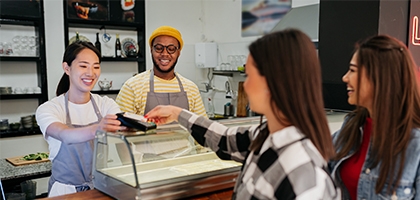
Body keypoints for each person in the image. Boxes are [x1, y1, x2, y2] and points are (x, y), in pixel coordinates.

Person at [145, 29, 340, 199]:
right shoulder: (264, 136)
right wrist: (176, 113)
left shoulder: (306, 177)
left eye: (249, 75)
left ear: (272, 82)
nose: (245, 85)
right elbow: (223, 139)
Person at [329, 35, 420, 199]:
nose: (345, 78)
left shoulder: (416, 145)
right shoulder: (350, 129)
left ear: (379, 77)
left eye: (353, 70)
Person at [36, 41, 124, 197]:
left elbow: (124, 126)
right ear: (67, 68)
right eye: (83, 66)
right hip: (64, 192)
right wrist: (98, 128)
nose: (91, 73)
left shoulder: (105, 104)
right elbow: (65, 135)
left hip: (100, 189)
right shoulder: (50, 109)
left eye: (96, 66)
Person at [116, 25, 207, 117]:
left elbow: (202, 127)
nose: (164, 54)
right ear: (151, 50)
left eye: (171, 49)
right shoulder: (132, 87)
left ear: (178, 53)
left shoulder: (191, 89)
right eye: (159, 48)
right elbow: (120, 128)